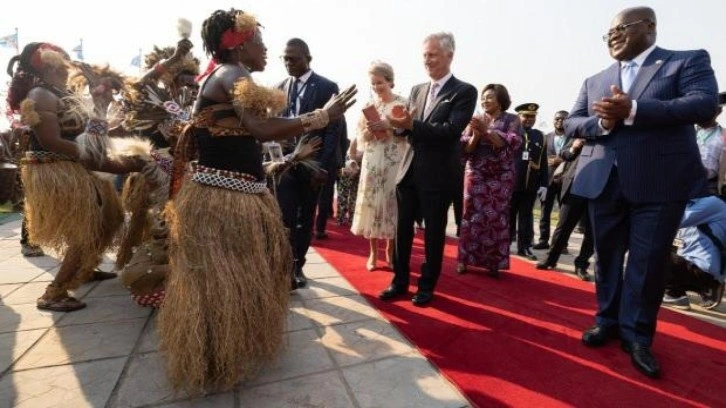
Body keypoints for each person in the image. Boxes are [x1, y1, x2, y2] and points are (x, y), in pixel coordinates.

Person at [159, 9, 355, 394]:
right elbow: (260, 128)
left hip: (233, 192)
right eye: (262, 42)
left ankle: (227, 348)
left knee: (236, 274)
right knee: (220, 280)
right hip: (222, 197)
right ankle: (213, 356)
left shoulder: (229, 75)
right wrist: (322, 116)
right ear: (239, 43)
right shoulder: (233, 74)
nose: (267, 50)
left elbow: (249, 134)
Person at [565, 6, 718, 378]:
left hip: (660, 182)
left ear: (650, 26)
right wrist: (601, 121)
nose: (613, 37)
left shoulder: (685, 62)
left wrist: (633, 108)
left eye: (622, 29)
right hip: (604, 180)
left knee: (647, 264)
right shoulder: (595, 79)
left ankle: (637, 336)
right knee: (606, 259)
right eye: (608, 34)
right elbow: (571, 121)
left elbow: (703, 103)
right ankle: (607, 321)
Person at [7, 42, 150, 312]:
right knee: (84, 228)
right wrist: (99, 158)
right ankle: (54, 292)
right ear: (47, 62)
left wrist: (101, 103)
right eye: (62, 57)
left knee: (112, 218)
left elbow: (94, 133)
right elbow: (51, 141)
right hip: (58, 170)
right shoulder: (41, 94)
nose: (70, 61)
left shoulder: (65, 93)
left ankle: (84, 269)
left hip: (80, 167)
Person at [378, 32, 477, 306]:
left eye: (432, 55)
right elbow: (409, 131)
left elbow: (451, 131)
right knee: (402, 231)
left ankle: (426, 286)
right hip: (408, 171)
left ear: (449, 55)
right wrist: (395, 126)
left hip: (438, 175)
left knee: (434, 234)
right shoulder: (417, 90)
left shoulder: (464, 91)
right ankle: (399, 281)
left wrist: (411, 126)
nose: (427, 60)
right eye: (424, 55)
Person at [275, 38, 343, 288]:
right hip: (284, 165)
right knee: (285, 217)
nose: (288, 63)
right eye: (285, 58)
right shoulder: (279, 87)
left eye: (293, 58)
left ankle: (298, 265)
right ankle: (283, 266)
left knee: (305, 219)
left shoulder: (326, 87)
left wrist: (324, 167)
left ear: (308, 58)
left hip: (312, 166)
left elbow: (333, 131)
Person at [456, 84, 522, 278]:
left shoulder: (512, 120)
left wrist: (487, 131)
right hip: (476, 172)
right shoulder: (475, 119)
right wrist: (476, 135)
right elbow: (466, 149)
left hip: (500, 176)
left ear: (500, 100)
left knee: (496, 217)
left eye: (490, 97)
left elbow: (509, 143)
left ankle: (493, 262)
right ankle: (464, 259)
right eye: (483, 98)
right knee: (470, 215)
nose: (485, 101)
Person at [351, 61, 407, 271]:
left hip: (394, 160)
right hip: (372, 160)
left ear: (390, 81)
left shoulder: (402, 103)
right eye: (373, 83)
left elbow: (408, 135)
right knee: (372, 204)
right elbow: (360, 138)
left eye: (380, 83)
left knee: (392, 204)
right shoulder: (368, 106)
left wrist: (389, 126)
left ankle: (390, 251)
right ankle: (373, 252)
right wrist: (367, 131)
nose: (376, 87)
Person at [535, 136, 594, 281]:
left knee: (591, 231)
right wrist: (574, 147)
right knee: (563, 226)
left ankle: (581, 265)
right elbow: (565, 154)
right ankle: (550, 259)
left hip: (599, 189)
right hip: (575, 185)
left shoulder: (613, 134)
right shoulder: (582, 132)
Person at [662, 195, 726, 310]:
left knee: (648, 254)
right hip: (692, 266)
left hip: (702, 270)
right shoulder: (687, 203)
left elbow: (673, 221)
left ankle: (707, 285)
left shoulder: (711, 203)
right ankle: (674, 293)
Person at [509, 103, 548, 261]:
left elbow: (543, 162)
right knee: (509, 215)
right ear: (519, 116)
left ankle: (524, 247)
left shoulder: (539, 136)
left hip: (530, 185)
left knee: (526, 217)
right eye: (526, 116)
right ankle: (503, 244)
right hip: (511, 182)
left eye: (532, 116)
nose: (529, 119)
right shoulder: (510, 133)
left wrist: (544, 184)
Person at [534, 110, 569, 250]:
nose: (560, 121)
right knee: (545, 212)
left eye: (563, 119)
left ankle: (562, 244)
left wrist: (562, 160)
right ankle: (543, 240)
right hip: (547, 180)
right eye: (557, 119)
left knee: (565, 215)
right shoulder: (545, 137)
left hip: (566, 181)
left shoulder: (574, 138)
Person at [692, 91, 725, 196]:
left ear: (718, 111)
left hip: (712, 189)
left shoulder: (723, 135)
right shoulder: (688, 134)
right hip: (688, 187)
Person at [336, 137, 361, 226]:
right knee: (343, 194)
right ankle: (341, 218)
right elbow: (351, 153)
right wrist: (355, 166)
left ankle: (351, 219)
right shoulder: (358, 137)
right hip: (349, 166)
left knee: (354, 195)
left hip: (360, 168)